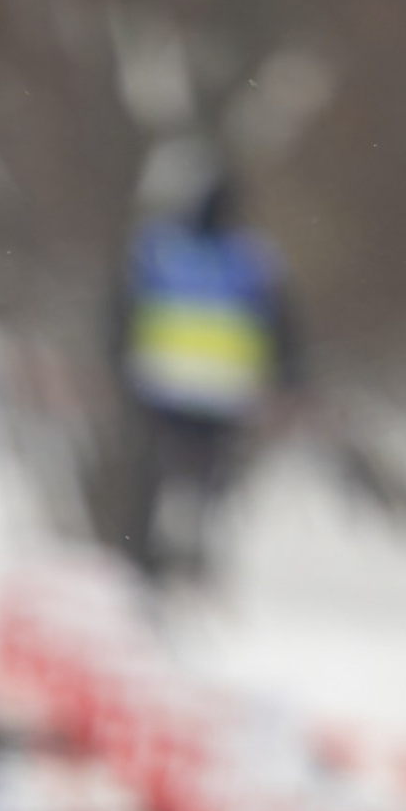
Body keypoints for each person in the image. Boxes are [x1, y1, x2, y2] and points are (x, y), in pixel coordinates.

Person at [116, 151, 296, 586]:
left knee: (158, 473)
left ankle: (148, 555)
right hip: (224, 390)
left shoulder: (158, 249)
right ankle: (197, 555)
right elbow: (282, 324)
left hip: (163, 382)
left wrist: (120, 360)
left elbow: (122, 309)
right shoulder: (251, 258)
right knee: (210, 479)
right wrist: (287, 377)